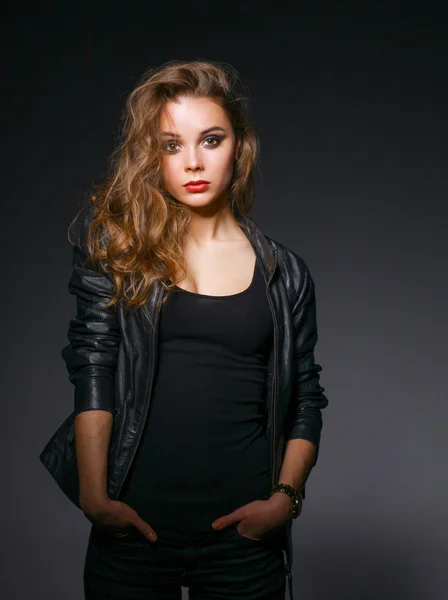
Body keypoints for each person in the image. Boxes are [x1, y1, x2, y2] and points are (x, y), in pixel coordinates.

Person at [49, 59, 329, 600]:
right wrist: (93, 497)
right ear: (152, 157)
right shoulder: (119, 253)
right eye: (171, 145)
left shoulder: (285, 273)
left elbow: (307, 397)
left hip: (244, 542)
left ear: (239, 147)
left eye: (211, 139)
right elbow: (94, 365)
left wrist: (284, 500)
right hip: (132, 532)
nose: (193, 162)